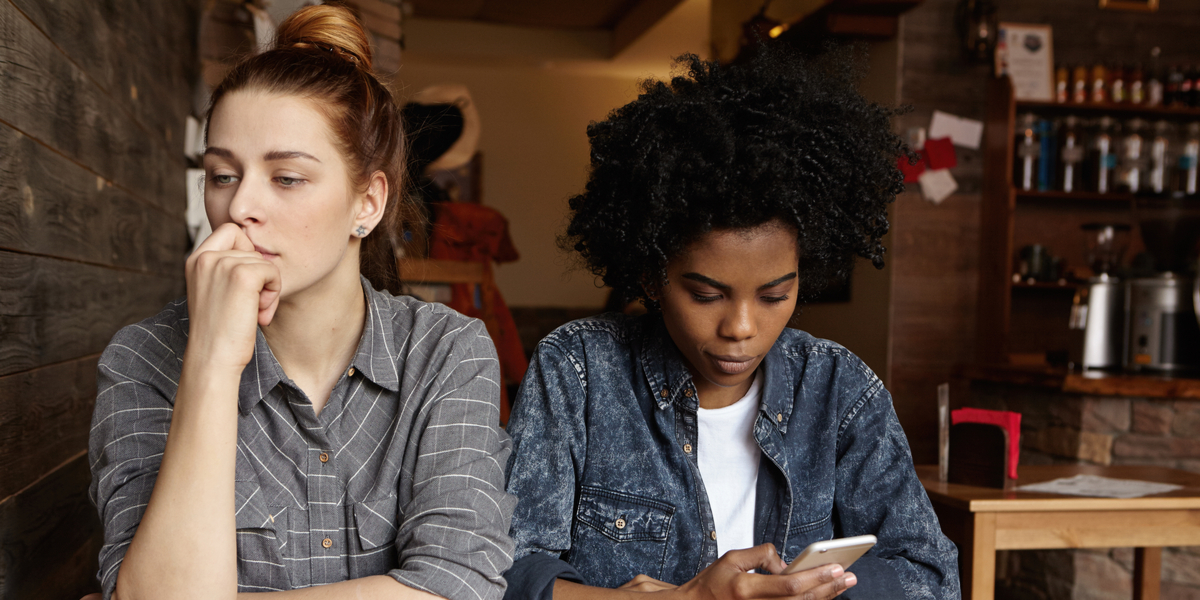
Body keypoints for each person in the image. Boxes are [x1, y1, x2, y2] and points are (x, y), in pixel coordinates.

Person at [502, 45, 960, 600]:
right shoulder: (578, 373)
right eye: (705, 294)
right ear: (652, 275)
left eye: (774, 295)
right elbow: (509, 574)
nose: (741, 327)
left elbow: (930, 572)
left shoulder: (840, 391)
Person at [87, 6, 514, 599]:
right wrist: (211, 360)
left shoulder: (446, 352)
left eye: (286, 178)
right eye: (222, 176)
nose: (239, 209)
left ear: (366, 203)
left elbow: (459, 584)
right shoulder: (143, 358)